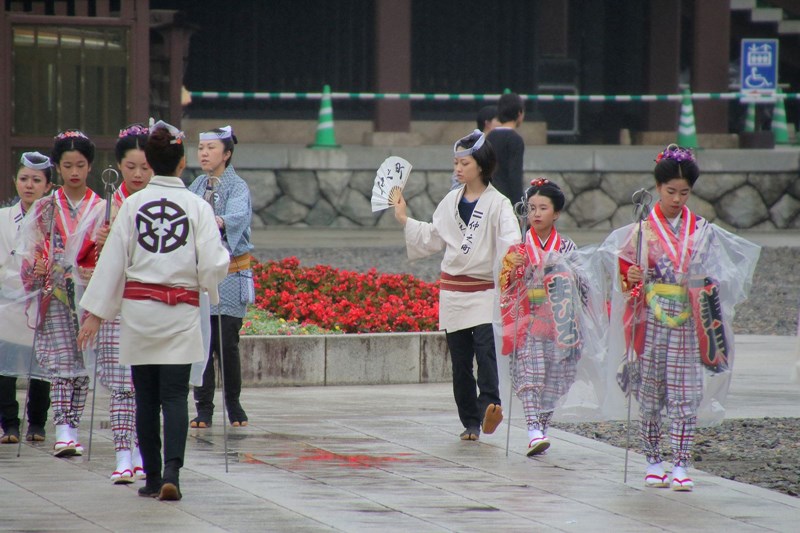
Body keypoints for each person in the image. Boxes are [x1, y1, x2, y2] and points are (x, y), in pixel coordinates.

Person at [78, 120, 229, 501]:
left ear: (150, 161)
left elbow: (113, 261)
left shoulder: (132, 205)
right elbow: (213, 263)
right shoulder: (197, 207)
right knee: (175, 396)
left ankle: (151, 476)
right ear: (182, 163)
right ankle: (173, 472)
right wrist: (208, 280)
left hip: (139, 312)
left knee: (145, 397)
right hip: (180, 311)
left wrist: (96, 313)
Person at [602, 144, 760, 491]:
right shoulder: (641, 230)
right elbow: (625, 275)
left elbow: (719, 275)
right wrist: (633, 277)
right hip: (650, 317)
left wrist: (704, 280)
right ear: (658, 187)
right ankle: (652, 459)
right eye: (670, 191)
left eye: (684, 192)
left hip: (688, 320)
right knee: (650, 391)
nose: (676, 198)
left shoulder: (701, 229)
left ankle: (681, 462)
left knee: (685, 392)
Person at [394, 130, 520, 441]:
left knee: (486, 353)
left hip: (484, 290)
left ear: (481, 165)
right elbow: (433, 236)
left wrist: (514, 257)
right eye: (456, 163)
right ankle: (471, 422)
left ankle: (490, 405)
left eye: (464, 163)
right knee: (460, 363)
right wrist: (404, 218)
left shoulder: (499, 203)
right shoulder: (450, 201)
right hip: (453, 291)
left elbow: (510, 239)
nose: (458, 169)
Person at [498, 178, 602, 456]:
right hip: (528, 320)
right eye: (532, 208)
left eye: (543, 208)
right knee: (530, 374)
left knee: (555, 380)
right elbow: (505, 286)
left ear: (556, 213)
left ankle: (541, 429)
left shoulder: (567, 247)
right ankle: (533, 429)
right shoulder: (519, 247)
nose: (536, 214)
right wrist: (512, 268)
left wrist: (564, 268)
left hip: (560, 322)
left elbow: (584, 285)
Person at [17, 130, 102, 457]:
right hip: (55, 293)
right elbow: (31, 248)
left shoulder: (101, 208)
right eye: (67, 166)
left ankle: (73, 424)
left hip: (89, 294)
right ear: (58, 167)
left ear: (90, 166)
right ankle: (63, 427)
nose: (74, 172)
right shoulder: (45, 207)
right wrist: (38, 266)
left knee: (82, 363)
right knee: (62, 361)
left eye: (80, 165)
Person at [82, 123, 152, 483]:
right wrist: (99, 242)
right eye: (130, 167)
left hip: (152, 304)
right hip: (116, 305)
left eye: (145, 167)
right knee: (123, 384)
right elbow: (84, 262)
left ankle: (143, 449)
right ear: (119, 166)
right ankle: (123, 452)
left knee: (147, 386)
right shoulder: (106, 207)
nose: (137, 174)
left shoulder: (160, 205)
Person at [188, 126, 253, 429]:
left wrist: (215, 220)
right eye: (201, 148)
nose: (204, 154)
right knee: (203, 342)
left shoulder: (237, 186)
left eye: (211, 148)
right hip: (202, 275)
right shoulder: (197, 184)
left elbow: (236, 217)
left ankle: (233, 403)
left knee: (227, 343)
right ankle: (203, 408)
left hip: (230, 274)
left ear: (226, 154)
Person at [0, 153, 53, 444]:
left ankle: (37, 422)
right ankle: (9, 423)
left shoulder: (53, 220)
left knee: (40, 367)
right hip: (8, 302)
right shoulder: (3, 219)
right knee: (4, 366)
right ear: (15, 181)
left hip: (40, 302)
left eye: (36, 180)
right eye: (24, 179)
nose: (29, 185)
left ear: (47, 186)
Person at [487, 93, 525, 204]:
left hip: (489, 195)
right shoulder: (515, 139)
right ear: (519, 113)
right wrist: (519, 203)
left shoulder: (490, 136)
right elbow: (515, 175)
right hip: (506, 199)